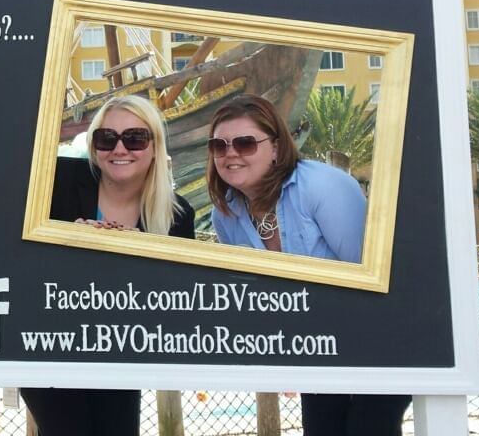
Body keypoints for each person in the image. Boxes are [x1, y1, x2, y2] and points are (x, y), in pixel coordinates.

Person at [205, 94, 410, 435]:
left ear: (275, 147)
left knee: (368, 427)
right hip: (317, 348)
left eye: (245, 143)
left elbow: (375, 278)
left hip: (383, 339)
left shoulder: (322, 186)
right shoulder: (225, 214)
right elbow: (259, 298)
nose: (230, 154)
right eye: (219, 145)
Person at [22, 95, 195, 436]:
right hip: (49, 344)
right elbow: (15, 243)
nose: (120, 149)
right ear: (94, 144)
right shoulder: (57, 180)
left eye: (134, 138)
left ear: (156, 146)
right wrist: (71, 241)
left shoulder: (176, 216)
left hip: (119, 350)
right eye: (106, 138)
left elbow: (177, 299)